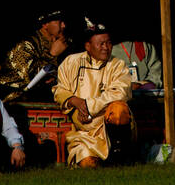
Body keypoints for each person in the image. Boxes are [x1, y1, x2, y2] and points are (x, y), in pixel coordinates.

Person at [52, 17, 134, 167]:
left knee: (119, 109)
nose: (106, 47)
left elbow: (119, 93)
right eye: (101, 44)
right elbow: (59, 90)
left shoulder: (118, 65)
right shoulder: (71, 62)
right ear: (88, 46)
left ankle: (119, 156)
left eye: (108, 43)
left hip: (105, 124)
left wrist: (87, 106)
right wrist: (75, 101)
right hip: (83, 132)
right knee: (88, 165)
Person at [0, 8, 70, 101]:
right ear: (45, 24)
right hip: (15, 100)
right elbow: (29, 81)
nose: (64, 26)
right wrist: (51, 55)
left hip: (48, 99)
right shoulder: (25, 46)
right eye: (59, 22)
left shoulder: (65, 45)